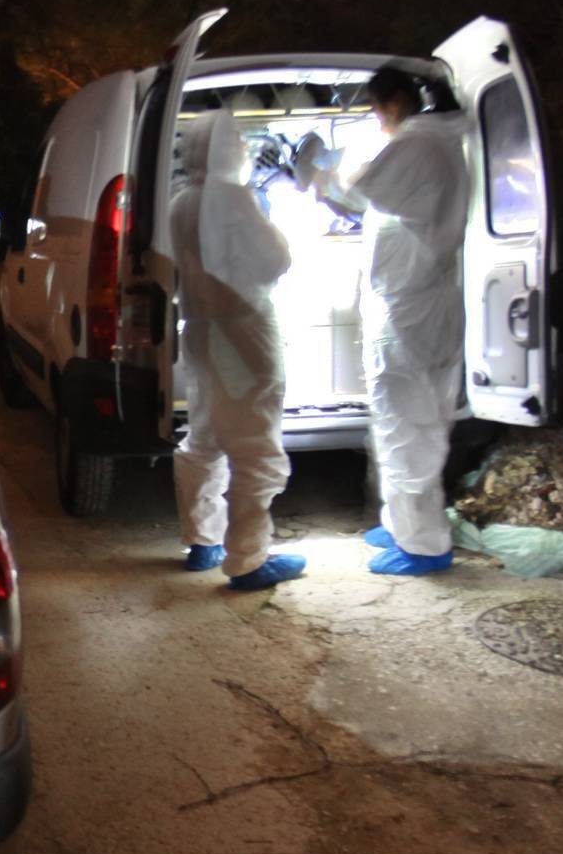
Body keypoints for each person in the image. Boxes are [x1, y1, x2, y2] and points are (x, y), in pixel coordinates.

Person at [305, 68, 468, 576]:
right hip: (416, 303)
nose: (378, 119)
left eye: (376, 108)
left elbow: (361, 192)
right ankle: (403, 524)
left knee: (408, 427)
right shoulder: (437, 143)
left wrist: (318, 170)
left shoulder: (420, 145)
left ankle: (425, 544)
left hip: (410, 310)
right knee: (408, 423)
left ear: (396, 102)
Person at [171, 110, 305, 591]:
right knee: (255, 445)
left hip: (203, 332)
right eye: (242, 145)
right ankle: (248, 561)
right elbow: (277, 259)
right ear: (228, 150)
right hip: (242, 333)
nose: (247, 153)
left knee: (204, 435)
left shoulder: (181, 201)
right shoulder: (231, 196)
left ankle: (202, 540)